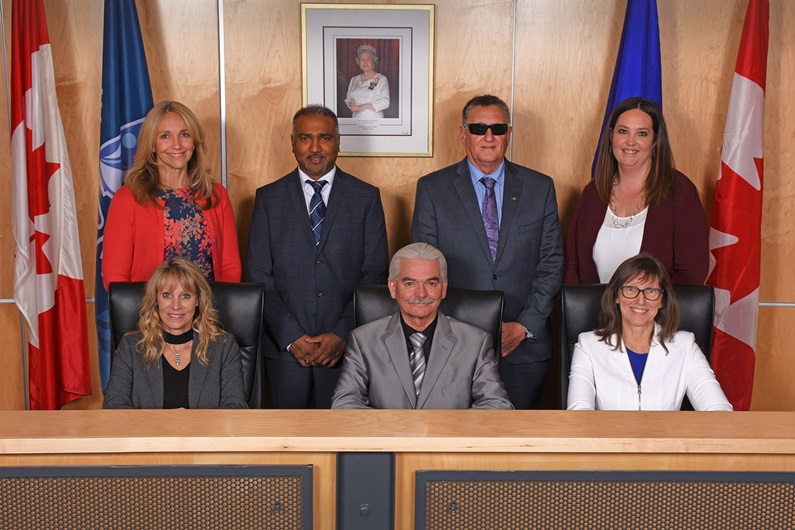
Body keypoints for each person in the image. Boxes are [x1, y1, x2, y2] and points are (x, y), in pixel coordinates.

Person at [411, 95, 563, 409]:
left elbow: (551, 262)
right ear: (463, 133)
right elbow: (424, 271)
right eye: (479, 128)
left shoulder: (540, 187)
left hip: (523, 348)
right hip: (453, 346)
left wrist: (525, 326)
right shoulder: (432, 189)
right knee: (455, 447)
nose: (489, 136)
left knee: (517, 447)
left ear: (509, 133)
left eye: (497, 128)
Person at [245, 105, 389, 409]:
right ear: (292, 142)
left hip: (347, 349)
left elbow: (375, 273)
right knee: (286, 443)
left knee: (345, 443)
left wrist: (341, 333)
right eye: (305, 138)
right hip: (285, 350)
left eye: (324, 138)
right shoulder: (268, 199)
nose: (314, 148)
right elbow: (258, 275)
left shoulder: (366, 197)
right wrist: (291, 335)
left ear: (338, 141)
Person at [332, 243, 513, 410]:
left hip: (448, 443)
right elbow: (344, 404)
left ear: (443, 288)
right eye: (410, 283)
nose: (421, 293)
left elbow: (497, 406)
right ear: (393, 288)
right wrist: (395, 432)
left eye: (431, 283)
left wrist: (443, 431)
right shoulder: (363, 340)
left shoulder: (476, 342)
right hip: (388, 443)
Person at [564, 97, 709, 285]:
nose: (630, 142)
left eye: (642, 134)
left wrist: (643, 308)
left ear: (655, 141)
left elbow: (691, 273)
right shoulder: (592, 193)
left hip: (654, 313)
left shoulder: (680, 192)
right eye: (623, 131)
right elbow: (571, 266)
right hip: (594, 312)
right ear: (611, 136)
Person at [103, 100, 241, 289]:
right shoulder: (127, 200)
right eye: (165, 136)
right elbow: (114, 277)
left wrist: (216, 311)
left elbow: (230, 268)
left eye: (184, 135)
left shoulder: (216, 195)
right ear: (152, 145)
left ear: (194, 142)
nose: (177, 145)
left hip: (208, 313)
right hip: (149, 315)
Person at [567, 254, 732, 411]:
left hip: (667, 439)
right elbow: (579, 412)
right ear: (616, 296)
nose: (641, 300)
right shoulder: (588, 346)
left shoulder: (685, 346)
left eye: (651, 291)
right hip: (610, 439)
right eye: (631, 289)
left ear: (662, 301)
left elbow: (719, 410)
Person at [104, 258, 247, 409]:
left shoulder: (223, 346)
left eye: (185, 296)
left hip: (206, 433)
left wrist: (189, 424)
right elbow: (114, 406)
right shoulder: (131, 347)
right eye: (167, 295)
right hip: (149, 433)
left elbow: (235, 407)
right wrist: (167, 423)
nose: (176, 305)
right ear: (156, 299)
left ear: (198, 300)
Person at [344, 44, 390, 119]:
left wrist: (362, 107)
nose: (365, 62)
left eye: (368, 59)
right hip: (356, 120)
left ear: (373, 61)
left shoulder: (381, 79)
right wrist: (351, 103)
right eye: (362, 59)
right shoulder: (354, 79)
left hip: (374, 121)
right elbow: (349, 98)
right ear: (359, 62)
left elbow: (385, 102)